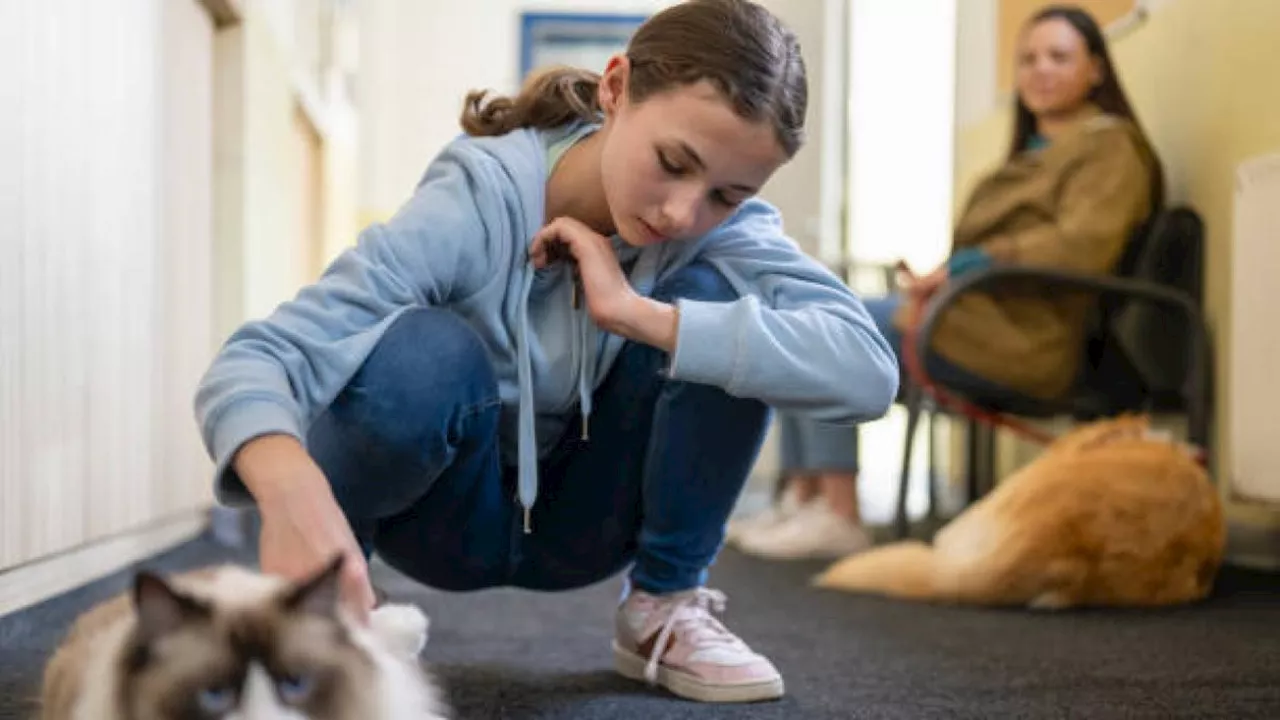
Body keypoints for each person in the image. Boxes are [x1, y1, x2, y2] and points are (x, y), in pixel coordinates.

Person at [193, 0, 898, 705]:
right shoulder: (477, 199)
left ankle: (664, 605)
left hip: (586, 526)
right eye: (673, 162)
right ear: (615, 89)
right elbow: (257, 357)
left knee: (719, 301)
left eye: (727, 193)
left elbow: (868, 372)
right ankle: (338, 610)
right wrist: (292, 496)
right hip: (441, 518)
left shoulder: (722, 233)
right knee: (424, 349)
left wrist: (639, 315)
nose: (683, 213)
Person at [730, 3, 1163, 561]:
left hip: (1029, 338)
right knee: (807, 320)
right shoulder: (1032, 154)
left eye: (1059, 56)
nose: (1040, 70)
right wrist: (950, 275)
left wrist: (968, 267)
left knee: (834, 328)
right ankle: (805, 497)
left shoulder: (1111, 146)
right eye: (1027, 58)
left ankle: (839, 513)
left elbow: (1081, 247)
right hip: (981, 317)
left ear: (1097, 69)